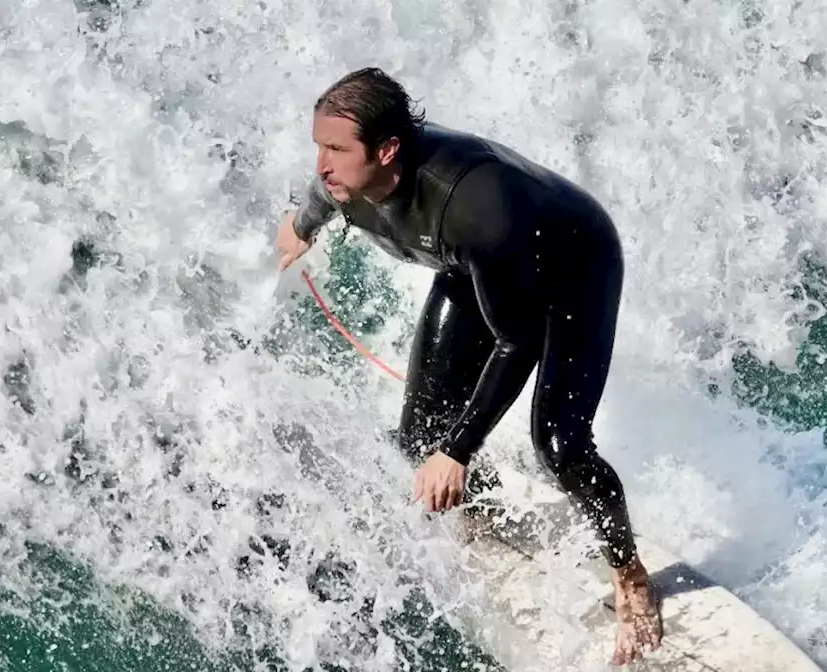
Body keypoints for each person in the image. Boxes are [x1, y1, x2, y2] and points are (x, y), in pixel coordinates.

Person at [274, 67, 663, 665]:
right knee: (416, 438)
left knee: (560, 445)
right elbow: (321, 194)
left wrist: (457, 451)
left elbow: (519, 341)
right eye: (318, 147)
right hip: (477, 268)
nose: (322, 165)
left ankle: (631, 574)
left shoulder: (471, 201)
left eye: (335, 150)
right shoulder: (345, 181)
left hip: (571, 266)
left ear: (387, 151)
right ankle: (476, 507)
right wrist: (300, 228)